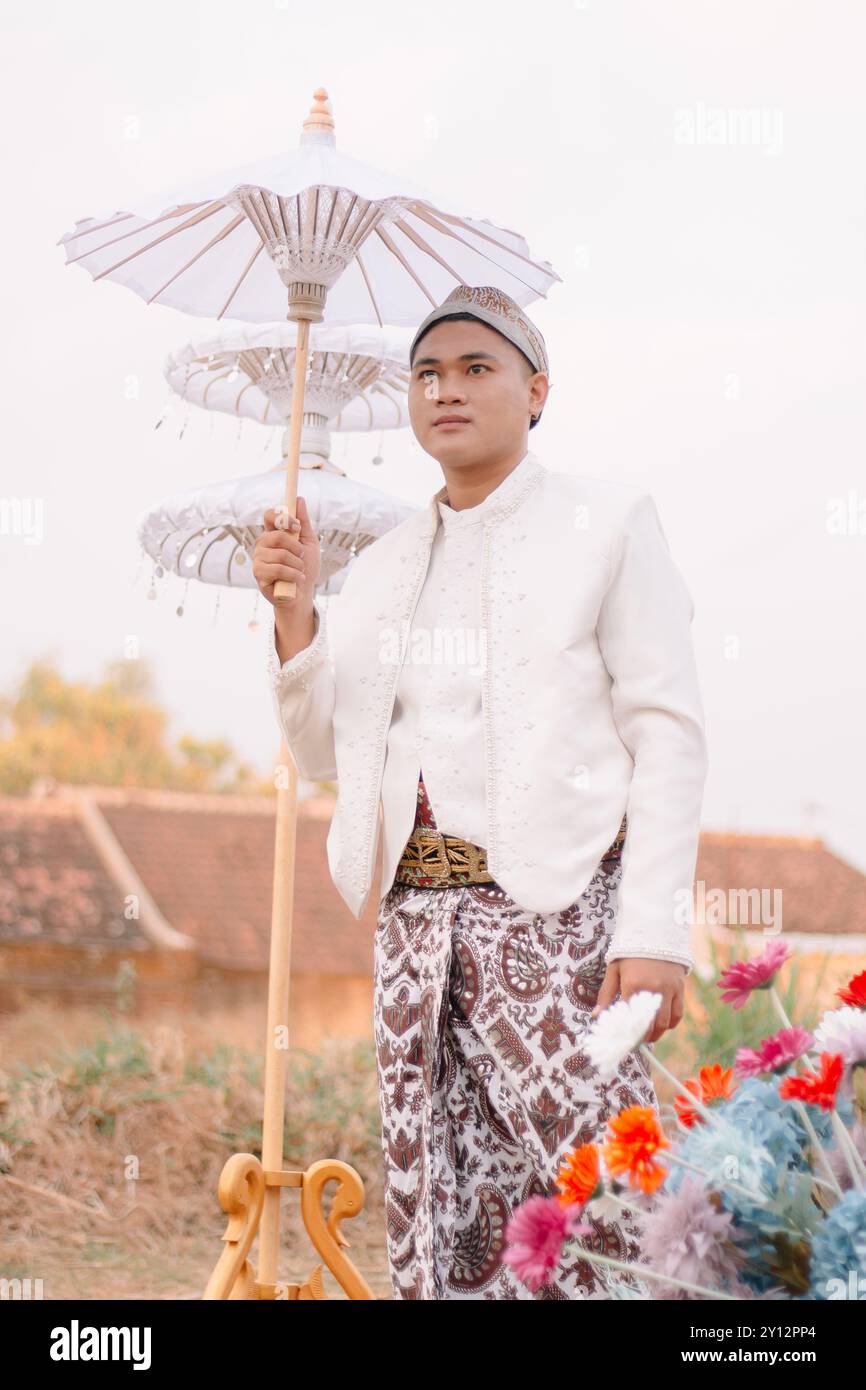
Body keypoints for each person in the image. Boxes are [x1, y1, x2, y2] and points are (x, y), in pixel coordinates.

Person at [253, 284, 709, 1300]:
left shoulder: (605, 523)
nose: (444, 390)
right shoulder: (378, 569)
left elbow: (666, 734)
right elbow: (328, 752)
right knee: (442, 1212)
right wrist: (295, 617)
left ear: (534, 389)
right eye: (425, 373)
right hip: (416, 931)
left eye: (474, 368)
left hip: (562, 924)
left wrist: (656, 931)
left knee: (598, 1207)